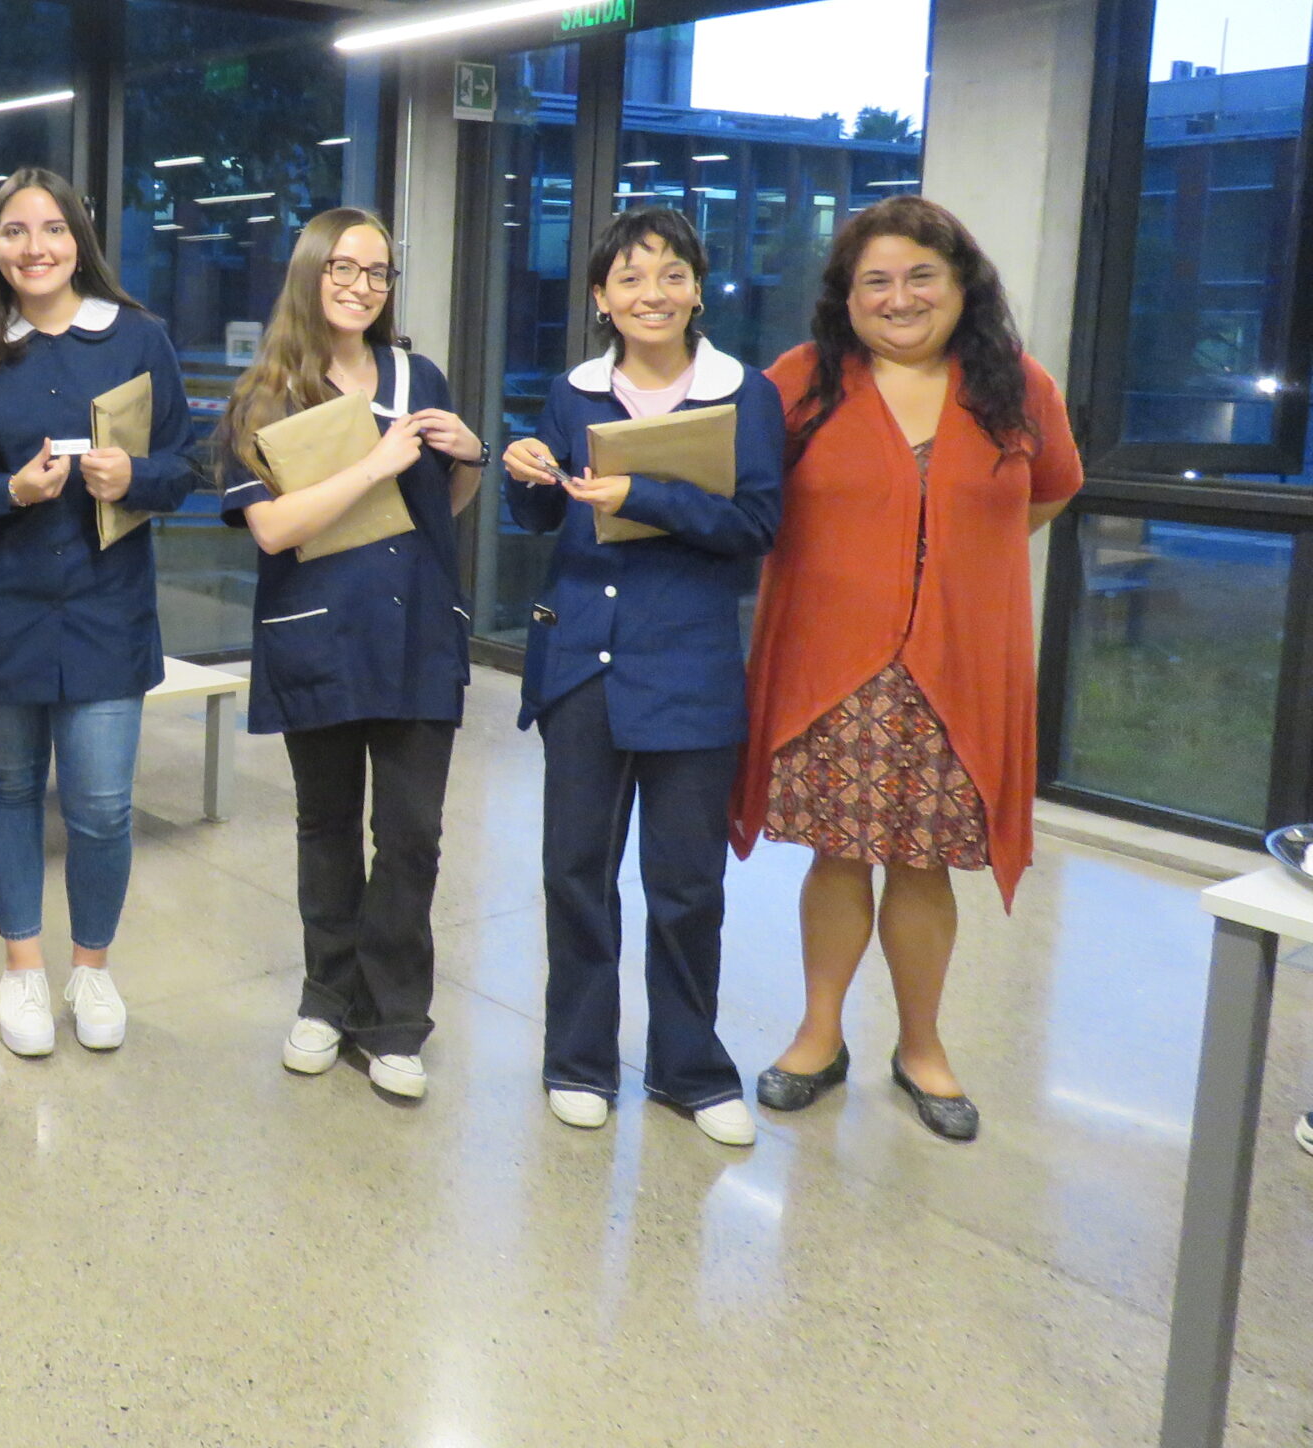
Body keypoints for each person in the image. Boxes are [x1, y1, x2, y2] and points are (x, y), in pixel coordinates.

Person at [735, 196, 1082, 1142]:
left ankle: (921, 1046)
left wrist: (952, 563)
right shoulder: (801, 381)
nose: (899, 298)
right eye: (876, 281)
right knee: (838, 853)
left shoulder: (1016, 385)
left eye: (921, 276)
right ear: (846, 298)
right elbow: (742, 490)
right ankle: (818, 1035)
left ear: (962, 284)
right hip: (834, 669)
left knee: (926, 866)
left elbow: (1050, 491)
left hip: (955, 670)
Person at [502, 208, 784, 1146]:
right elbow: (542, 522)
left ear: (698, 289)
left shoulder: (745, 396)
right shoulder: (575, 393)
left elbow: (756, 527)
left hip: (691, 670)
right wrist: (527, 474)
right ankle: (578, 1059)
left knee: (687, 884)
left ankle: (689, 1070)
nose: (651, 294)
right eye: (629, 278)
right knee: (576, 872)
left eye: (670, 275)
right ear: (601, 298)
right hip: (583, 662)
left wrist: (645, 496)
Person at [216, 209, 482, 1101]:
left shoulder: (419, 377)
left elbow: (440, 505)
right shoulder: (266, 393)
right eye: (343, 268)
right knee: (325, 826)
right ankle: (326, 999)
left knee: (411, 835)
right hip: (319, 635)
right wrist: (372, 463)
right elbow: (273, 529)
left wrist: (470, 457)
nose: (361, 286)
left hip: (417, 635)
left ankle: (394, 1020)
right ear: (309, 272)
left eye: (377, 272)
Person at [0, 169, 194, 1058]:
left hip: (106, 608)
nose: (34, 247)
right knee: (8, 790)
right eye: (14, 231)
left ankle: (92, 967)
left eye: (52, 229)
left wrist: (136, 476)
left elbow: (186, 465)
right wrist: (7, 490)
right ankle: (22, 969)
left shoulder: (139, 339)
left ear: (80, 240)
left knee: (104, 806)